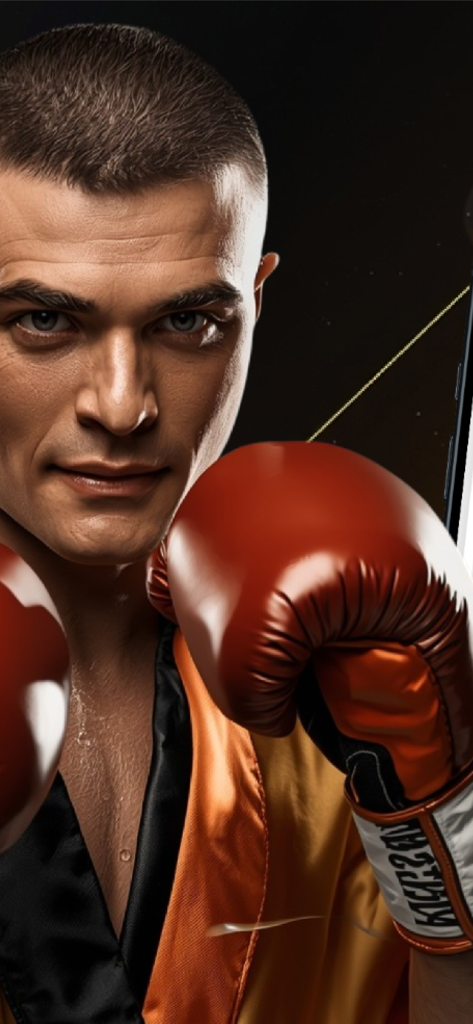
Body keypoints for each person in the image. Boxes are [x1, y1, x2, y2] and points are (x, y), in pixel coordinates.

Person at [0, 22, 471, 1024]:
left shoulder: (362, 676)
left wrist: (441, 821)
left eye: (186, 322)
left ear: (253, 303)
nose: (121, 407)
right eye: (44, 320)